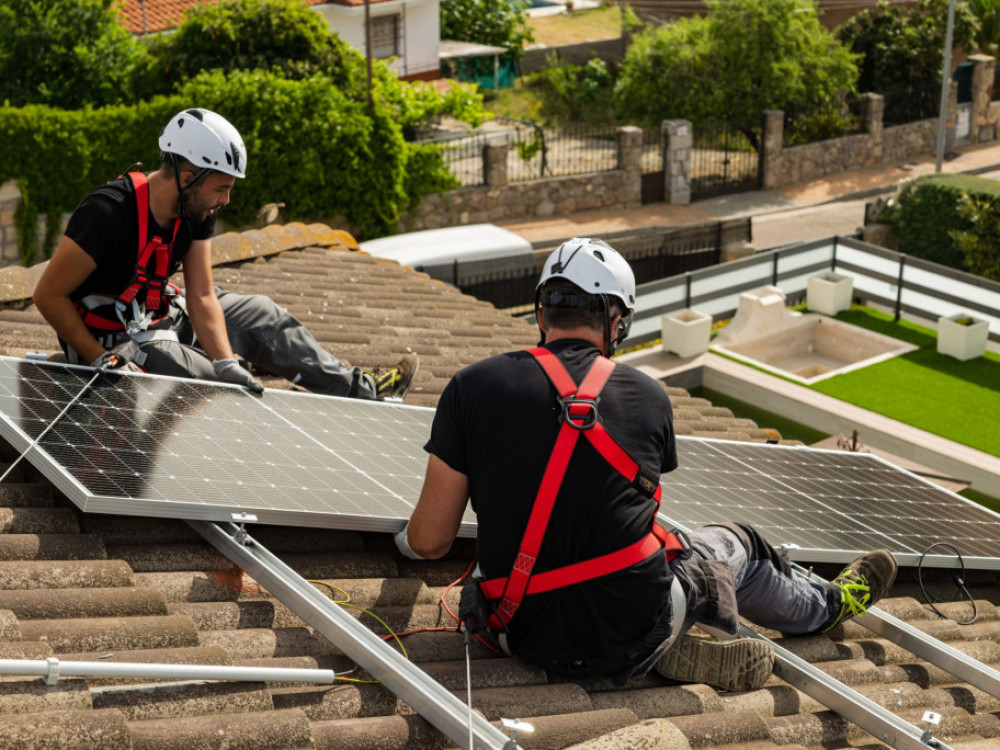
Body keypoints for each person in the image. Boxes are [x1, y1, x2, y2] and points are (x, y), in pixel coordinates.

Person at [395, 237, 897, 690]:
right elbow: (630, 524)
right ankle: (826, 607)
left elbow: (432, 540)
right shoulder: (648, 397)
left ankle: (665, 648)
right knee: (735, 541)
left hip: (516, 631)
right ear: (617, 323)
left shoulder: (471, 386)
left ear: (542, 313)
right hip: (633, 625)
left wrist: (402, 539)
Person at [33, 107, 417, 400]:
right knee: (212, 385)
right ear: (186, 179)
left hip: (158, 317)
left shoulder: (195, 209)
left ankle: (362, 391)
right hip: (110, 341)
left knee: (262, 316)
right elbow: (47, 295)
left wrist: (226, 360)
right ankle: (236, 373)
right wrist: (98, 355)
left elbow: (201, 294)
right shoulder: (107, 212)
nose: (226, 200)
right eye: (220, 188)